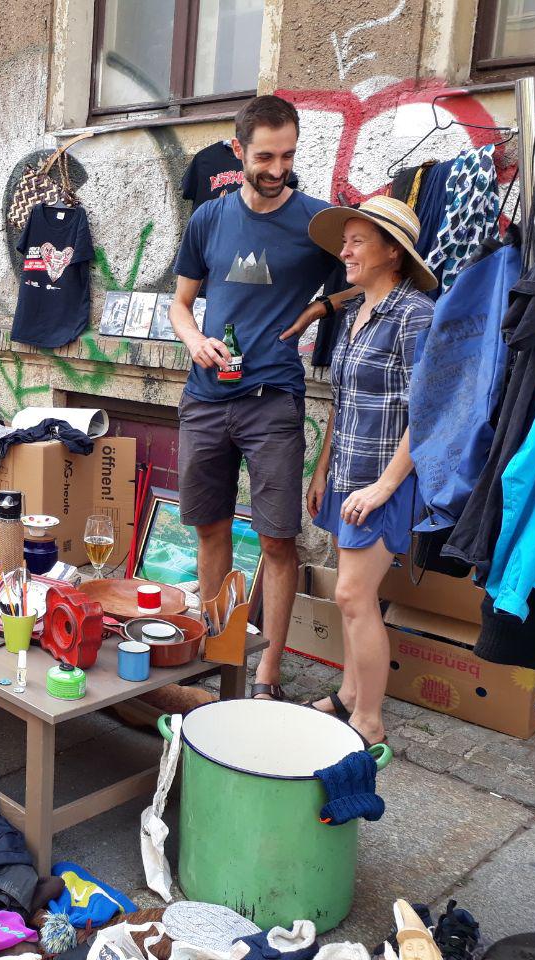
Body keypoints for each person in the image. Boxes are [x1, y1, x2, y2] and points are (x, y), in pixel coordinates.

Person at [170, 95, 359, 701]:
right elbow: (180, 305)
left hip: (273, 399)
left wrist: (317, 309)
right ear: (239, 151)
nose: (278, 169)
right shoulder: (209, 219)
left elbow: (373, 277)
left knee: (278, 540)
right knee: (210, 529)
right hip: (205, 398)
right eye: (266, 157)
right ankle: (219, 651)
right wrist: (195, 340)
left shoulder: (319, 221)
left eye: (288, 156)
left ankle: (267, 675)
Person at [305, 195, 437, 745]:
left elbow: (428, 411)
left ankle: (369, 721)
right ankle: (349, 694)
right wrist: (322, 469)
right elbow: (343, 400)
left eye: (358, 242)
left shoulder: (415, 315)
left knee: (353, 596)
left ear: (393, 252)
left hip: (386, 480)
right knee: (351, 594)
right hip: (346, 473)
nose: (346, 251)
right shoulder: (356, 310)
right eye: (345, 242)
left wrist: (385, 486)